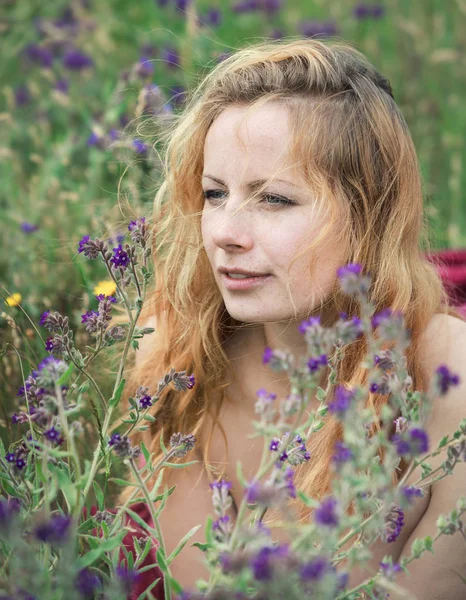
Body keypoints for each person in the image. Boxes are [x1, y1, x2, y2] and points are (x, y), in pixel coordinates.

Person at [113, 37, 466, 599]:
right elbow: (197, 587)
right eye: (214, 193)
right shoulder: (175, 353)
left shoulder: (449, 380)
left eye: (274, 199)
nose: (225, 232)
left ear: (369, 213)